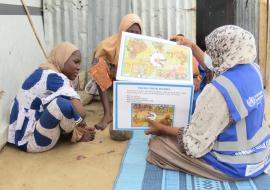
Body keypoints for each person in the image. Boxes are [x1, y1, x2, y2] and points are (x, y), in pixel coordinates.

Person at [145, 25, 270, 180]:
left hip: (236, 165)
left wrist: (162, 128)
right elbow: (213, 66)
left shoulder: (218, 91)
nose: (208, 54)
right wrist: (190, 45)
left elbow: (193, 144)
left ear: (223, 51)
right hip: (261, 155)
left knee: (157, 146)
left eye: (212, 51)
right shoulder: (254, 70)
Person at [8, 42, 95, 153]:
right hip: (32, 142)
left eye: (79, 63)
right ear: (62, 59)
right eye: (76, 62)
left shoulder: (42, 71)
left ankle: (71, 131)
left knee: (62, 104)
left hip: (19, 136)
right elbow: (81, 112)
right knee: (63, 104)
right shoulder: (55, 77)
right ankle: (76, 136)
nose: (78, 67)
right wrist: (78, 124)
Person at [88, 13, 142, 130]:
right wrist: (111, 71)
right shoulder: (108, 44)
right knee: (98, 67)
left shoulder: (143, 47)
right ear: (123, 30)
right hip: (109, 85)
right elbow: (97, 63)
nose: (134, 35)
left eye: (137, 33)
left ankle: (126, 110)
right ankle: (107, 114)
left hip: (129, 84)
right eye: (130, 31)